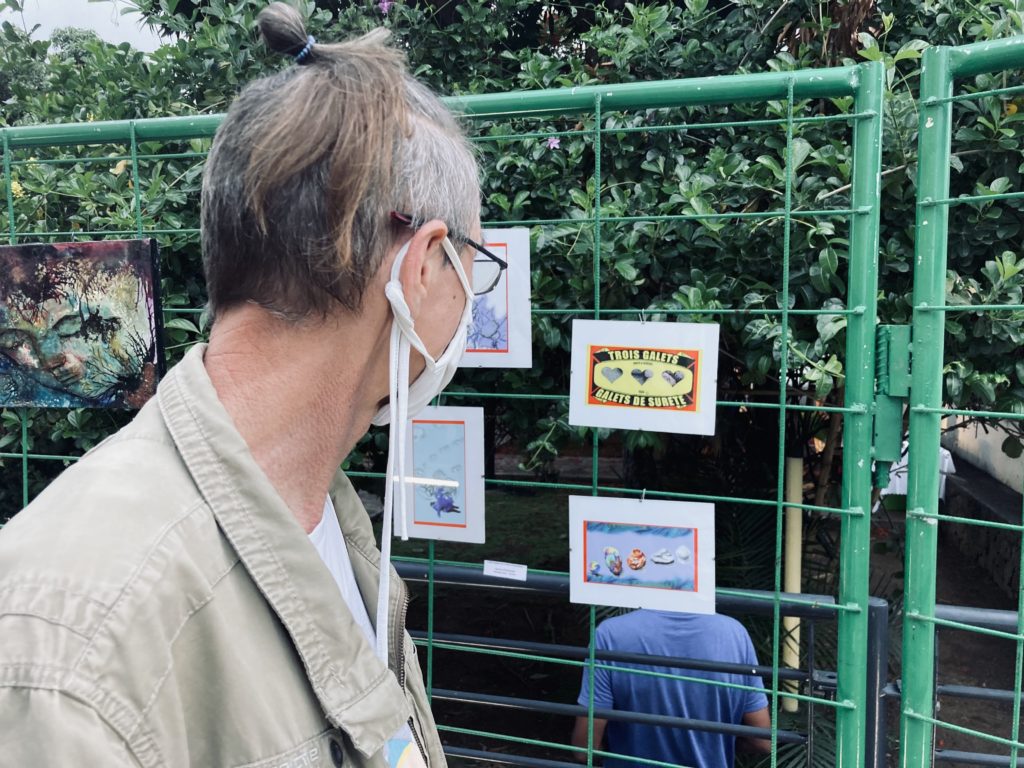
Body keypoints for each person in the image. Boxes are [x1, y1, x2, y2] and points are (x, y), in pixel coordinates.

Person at [0, 4, 500, 766]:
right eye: (474, 266)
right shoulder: (77, 652)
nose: (471, 297)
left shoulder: (322, 514)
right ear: (424, 264)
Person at [571, 610, 772, 768]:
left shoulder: (609, 634)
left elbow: (585, 748)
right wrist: (714, 745)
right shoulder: (735, 633)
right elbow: (761, 741)